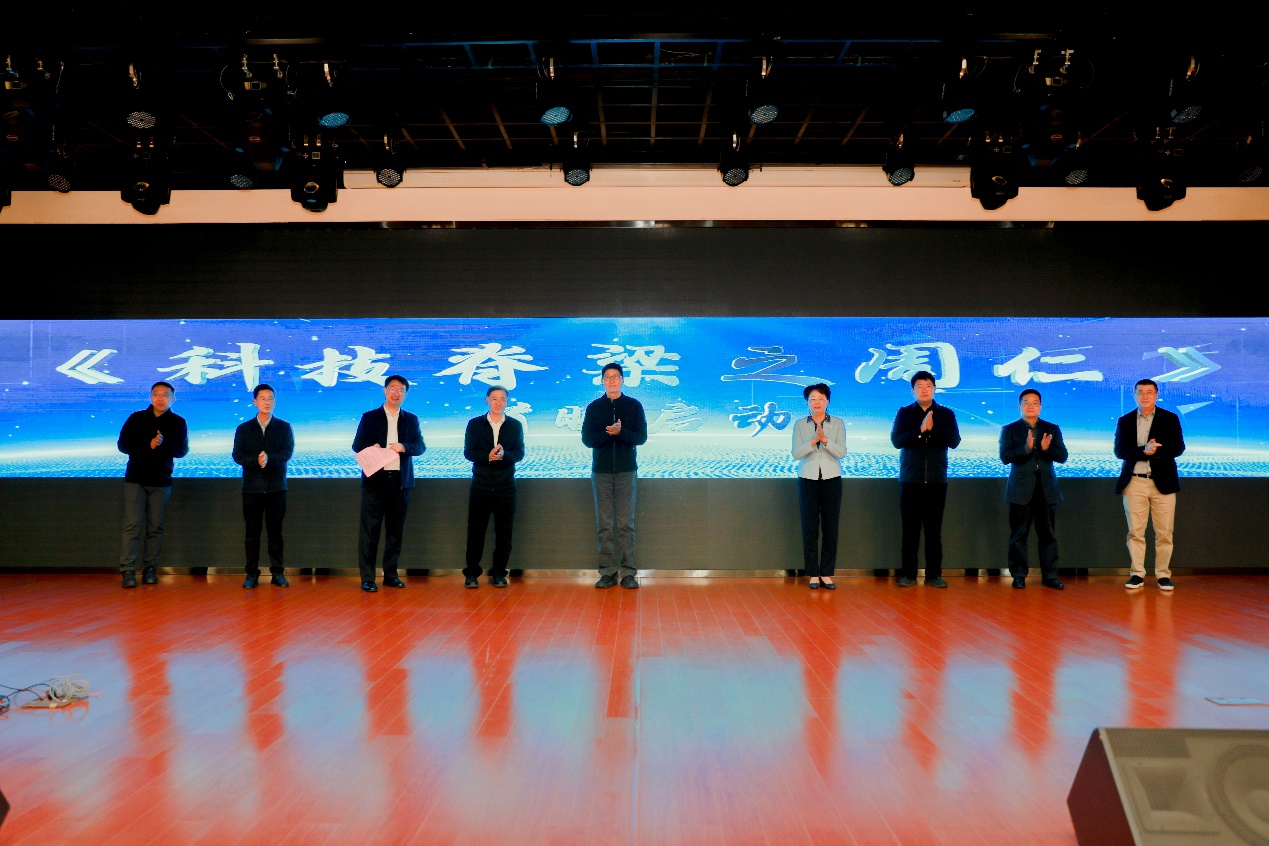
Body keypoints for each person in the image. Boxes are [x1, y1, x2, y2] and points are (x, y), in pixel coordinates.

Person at [352, 375, 426, 592]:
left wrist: (404, 447)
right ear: (384, 391)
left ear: (406, 394)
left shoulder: (411, 419)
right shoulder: (370, 417)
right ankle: (368, 578)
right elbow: (357, 445)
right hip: (375, 482)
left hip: (400, 483)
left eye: (401, 390)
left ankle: (391, 575)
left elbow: (420, 446)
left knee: (395, 532)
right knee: (370, 532)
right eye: (392, 388)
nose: (396, 393)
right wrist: (371, 448)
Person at [890, 370, 961, 588]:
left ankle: (933, 575)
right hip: (910, 480)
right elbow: (897, 441)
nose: (924, 390)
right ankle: (908, 575)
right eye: (919, 387)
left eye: (928, 386)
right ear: (912, 390)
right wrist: (920, 431)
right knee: (910, 530)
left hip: (937, 481)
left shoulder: (946, 414)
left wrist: (933, 429)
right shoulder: (904, 413)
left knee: (933, 531)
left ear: (934, 389)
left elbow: (954, 441)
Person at [116, 381, 189, 588]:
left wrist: (163, 444)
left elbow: (181, 451)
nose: (160, 398)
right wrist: (147, 445)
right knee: (132, 526)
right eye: (156, 394)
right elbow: (123, 445)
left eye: (165, 395)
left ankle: (150, 569)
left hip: (161, 481)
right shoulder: (136, 418)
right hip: (135, 479)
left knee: (155, 527)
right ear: (150, 397)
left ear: (173, 399)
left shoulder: (178, 422)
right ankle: (128, 571)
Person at [1114, 378, 1185, 591]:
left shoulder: (1170, 418)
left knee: (1164, 533)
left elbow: (1178, 448)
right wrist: (1142, 451)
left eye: (1149, 392)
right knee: (1135, 532)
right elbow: (1120, 451)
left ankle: (1163, 575)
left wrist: (1155, 451)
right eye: (1140, 392)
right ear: (1134, 395)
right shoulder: (1125, 420)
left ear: (1156, 394)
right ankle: (1137, 574)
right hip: (1135, 482)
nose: (1144, 396)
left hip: (1163, 482)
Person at [582, 362, 648, 589]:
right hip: (600, 472)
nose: (612, 380)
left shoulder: (633, 406)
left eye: (616, 376)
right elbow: (587, 440)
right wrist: (607, 434)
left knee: (625, 524)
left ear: (622, 380)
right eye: (608, 377)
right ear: (602, 381)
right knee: (604, 524)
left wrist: (621, 432)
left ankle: (628, 573)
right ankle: (607, 573)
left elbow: (641, 437)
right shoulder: (594, 408)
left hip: (626, 471)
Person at [999, 388, 1068, 590]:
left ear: (1040, 406)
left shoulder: (1052, 428)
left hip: (1047, 489)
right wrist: (1026, 449)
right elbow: (1005, 457)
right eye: (1026, 403)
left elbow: (1063, 456)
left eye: (1035, 403)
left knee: (1048, 535)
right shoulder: (1009, 429)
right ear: (1019, 406)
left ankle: (1050, 576)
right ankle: (1019, 575)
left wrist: (1047, 449)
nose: (1030, 406)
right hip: (1020, 490)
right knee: (1018, 535)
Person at [232, 383, 295, 589]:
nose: (267, 402)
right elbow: (237, 455)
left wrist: (269, 459)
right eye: (262, 398)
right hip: (252, 488)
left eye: (270, 399)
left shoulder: (284, 427)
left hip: (277, 487)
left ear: (275, 402)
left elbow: (287, 453)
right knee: (252, 534)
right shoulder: (244, 429)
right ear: (255, 402)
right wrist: (255, 461)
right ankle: (251, 573)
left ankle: (278, 573)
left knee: (275, 533)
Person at [462, 385, 525, 589]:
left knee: (504, 533)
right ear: (487, 400)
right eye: (494, 398)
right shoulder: (474, 424)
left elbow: (520, 454)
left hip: (506, 485)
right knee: (476, 532)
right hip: (481, 484)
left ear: (507, 402)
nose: (498, 402)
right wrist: (487, 457)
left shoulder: (515, 425)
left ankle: (499, 573)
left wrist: (505, 455)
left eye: (502, 399)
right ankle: (472, 574)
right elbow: (469, 452)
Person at [791, 382, 847, 589]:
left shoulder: (838, 423)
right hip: (807, 479)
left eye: (821, 399)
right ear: (807, 402)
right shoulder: (800, 424)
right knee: (810, 528)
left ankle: (827, 573)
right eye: (813, 399)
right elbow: (796, 454)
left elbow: (842, 452)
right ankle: (813, 573)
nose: (817, 403)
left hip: (832, 479)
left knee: (830, 527)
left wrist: (825, 440)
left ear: (828, 401)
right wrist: (813, 441)